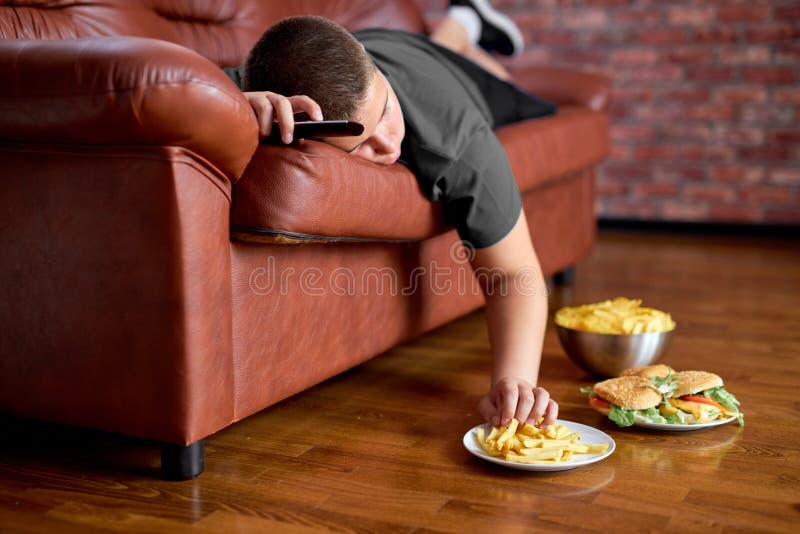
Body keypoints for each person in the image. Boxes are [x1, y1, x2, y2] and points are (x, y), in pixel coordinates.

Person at [225, 0, 560, 428]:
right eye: (360, 144)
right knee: (432, 56)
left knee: (498, 76)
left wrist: (515, 381)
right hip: (392, 49)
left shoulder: (458, 142)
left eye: (385, 110)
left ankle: (465, 31)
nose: (387, 144)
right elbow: (179, 88)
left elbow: (514, 274)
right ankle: (463, 22)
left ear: (370, 71)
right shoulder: (268, 87)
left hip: (452, 76)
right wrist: (234, 107)